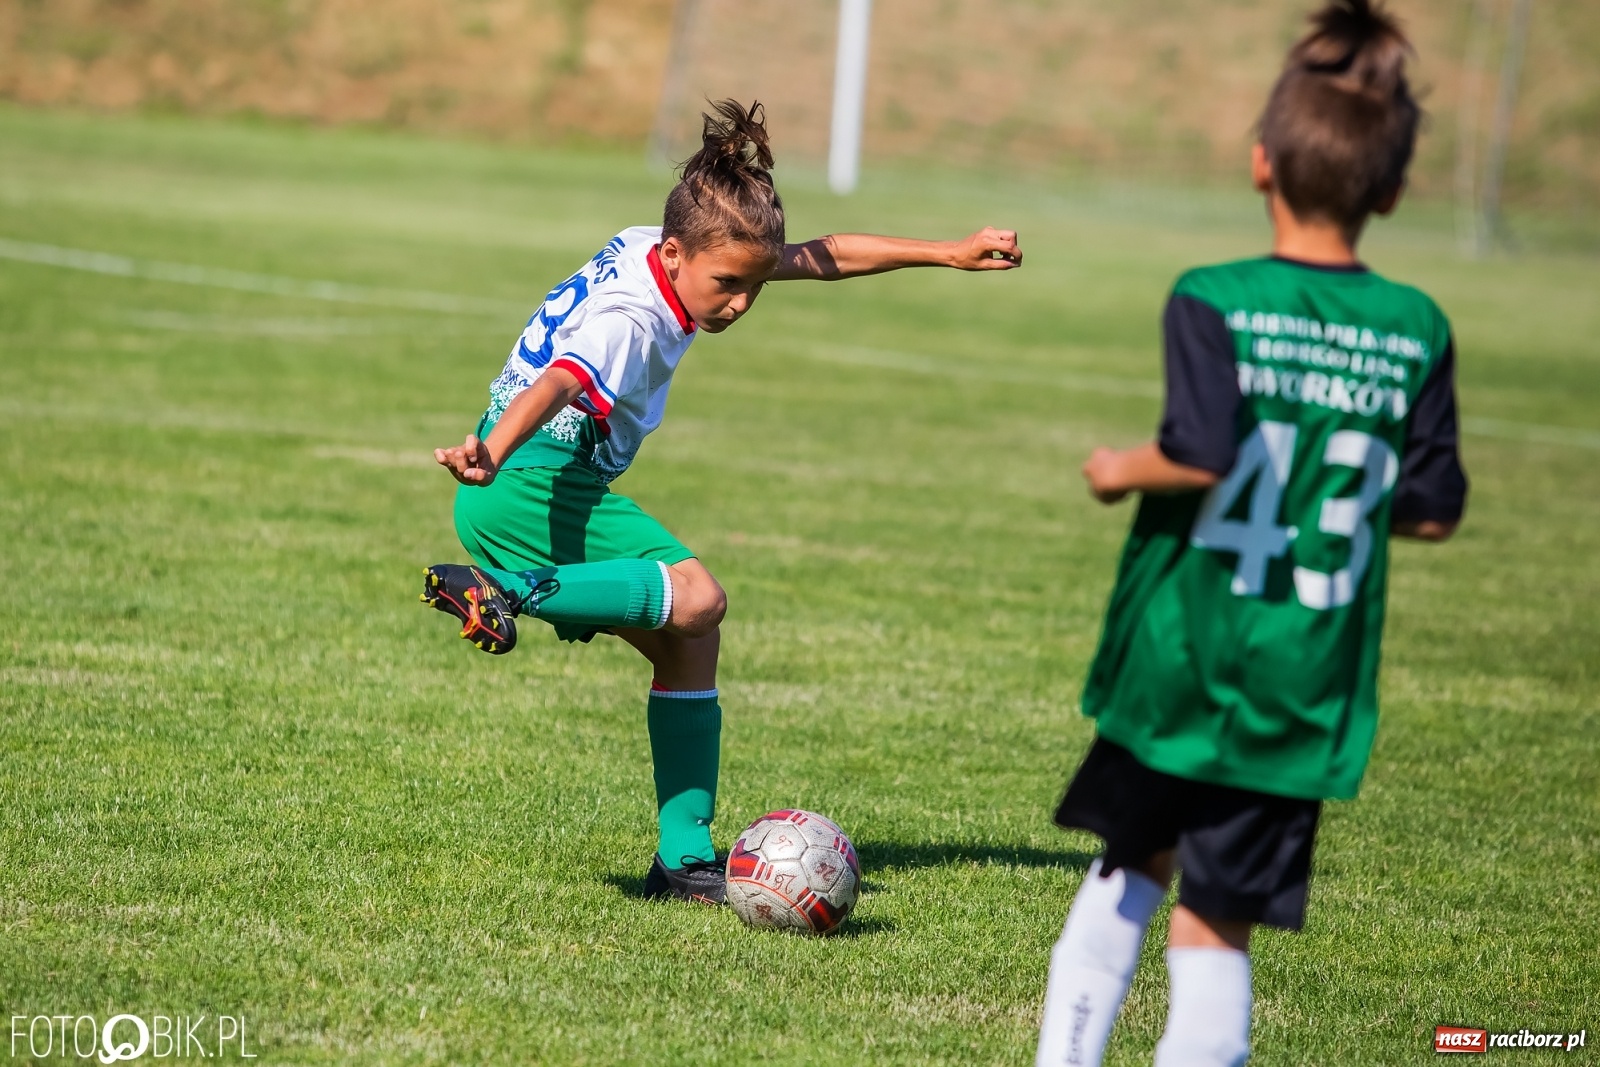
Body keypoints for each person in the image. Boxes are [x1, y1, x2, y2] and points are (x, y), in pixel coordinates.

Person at [422, 100, 1023, 904]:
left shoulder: (664, 246)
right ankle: (508, 590)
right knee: (700, 596)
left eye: (752, 284)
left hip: (543, 478)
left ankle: (683, 858)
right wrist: (491, 453)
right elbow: (564, 375)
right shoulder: (632, 320)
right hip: (530, 479)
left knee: (687, 645)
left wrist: (948, 253)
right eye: (728, 284)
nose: (740, 302)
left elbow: (824, 254)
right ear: (676, 256)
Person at [1034, 3, 1467, 1064]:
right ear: (1393, 191)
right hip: (1300, 678)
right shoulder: (1416, 326)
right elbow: (1429, 507)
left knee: (1127, 874)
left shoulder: (1214, 298)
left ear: (1259, 163)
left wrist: (1112, 471)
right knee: (1218, 927)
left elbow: (1199, 450)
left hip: (1183, 656)